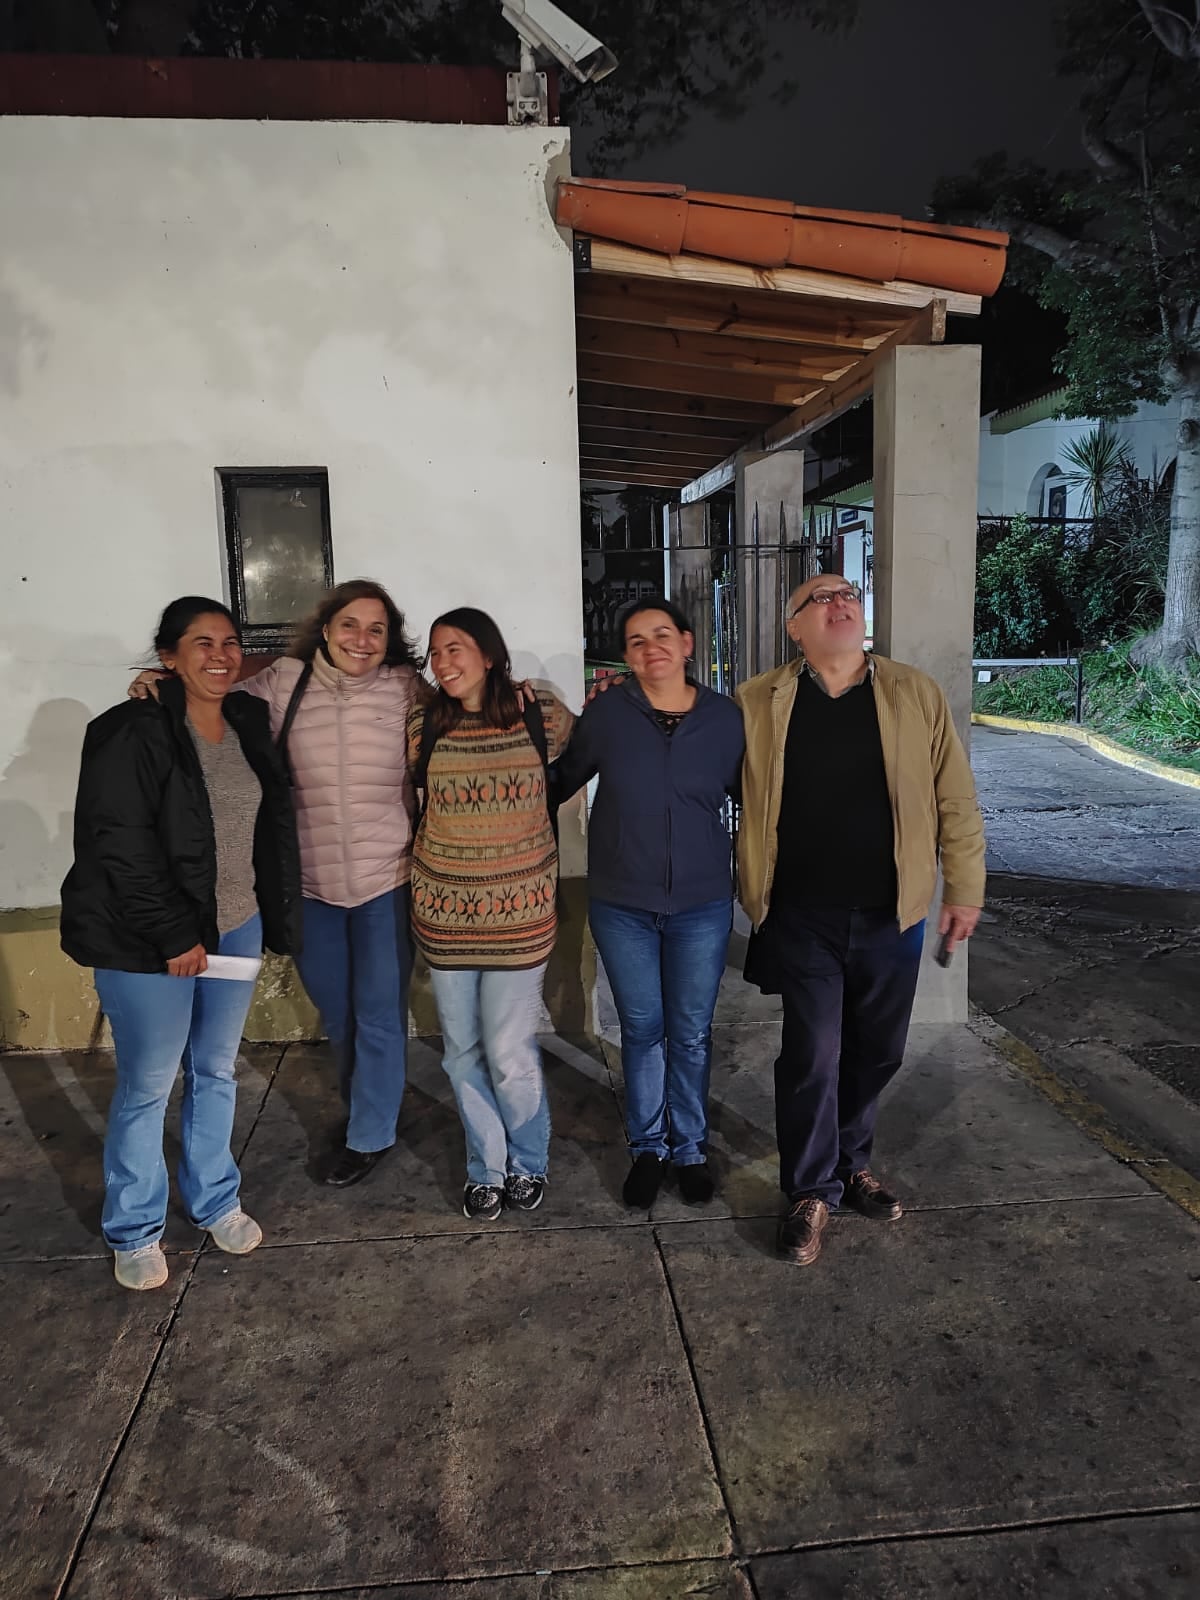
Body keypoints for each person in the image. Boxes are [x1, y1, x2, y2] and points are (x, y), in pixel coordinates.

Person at [131, 579, 423, 1188]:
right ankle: (370, 1106)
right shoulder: (284, 683)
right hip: (308, 886)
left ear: (390, 639)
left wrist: (527, 697)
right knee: (339, 1012)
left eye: (376, 629)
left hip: (386, 880)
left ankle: (369, 1132)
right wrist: (160, 684)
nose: (362, 639)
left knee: (379, 1013)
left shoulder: (405, 688)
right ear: (326, 629)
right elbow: (213, 691)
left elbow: (471, 706)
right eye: (349, 625)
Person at [737, 574, 986, 1268]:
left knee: (878, 1051)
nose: (840, 603)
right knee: (813, 1055)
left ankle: (851, 1165)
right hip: (801, 914)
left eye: (848, 593)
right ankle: (810, 1189)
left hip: (891, 913)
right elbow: (699, 761)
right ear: (794, 627)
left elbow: (954, 797)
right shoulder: (758, 700)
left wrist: (964, 887)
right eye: (820, 598)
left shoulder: (913, 693)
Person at [62, 598, 301, 1291]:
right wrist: (173, 935)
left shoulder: (246, 719)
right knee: (147, 1084)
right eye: (202, 643)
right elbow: (120, 843)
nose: (220, 656)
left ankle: (214, 1199)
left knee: (217, 1070)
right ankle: (135, 1228)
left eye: (230, 642)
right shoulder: (130, 730)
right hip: (146, 940)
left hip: (237, 925)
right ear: (168, 655)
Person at [554, 597, 744, 1210]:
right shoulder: (608, 714)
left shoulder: (725, 719)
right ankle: (648, 1147)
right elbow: (559, 780)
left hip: (701, 902)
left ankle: (689, 1150)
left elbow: (757, 796)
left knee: (689, 1033)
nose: (650, 648)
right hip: (623, 902)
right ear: (626, 656)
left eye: (662, 634)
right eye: (636, 640)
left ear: (687, 643)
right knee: (641, 1028)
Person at [408, 608, 573, 1222]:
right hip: (445, 917)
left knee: (508, 1051)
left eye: (455, 648)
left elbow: (597, 743)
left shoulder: (541, 713)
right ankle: (487, 1168)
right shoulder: (423, 722)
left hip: (520, 918)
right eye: (435, 652)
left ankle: (528, 1160)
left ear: (489, 653)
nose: (443, 662)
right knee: (461, 1053)